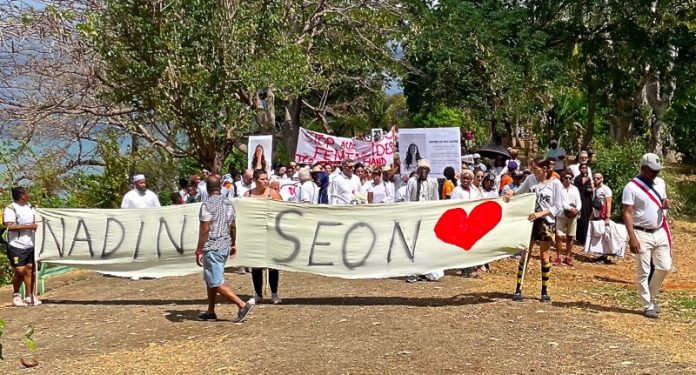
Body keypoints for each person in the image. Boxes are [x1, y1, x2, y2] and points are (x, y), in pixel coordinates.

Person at [195, 176, 253, 322]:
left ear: (206, 189)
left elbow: (205, 228)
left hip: (212, 246)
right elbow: (233, 225)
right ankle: (211, 311)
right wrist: (233, 243)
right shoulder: (228, 203)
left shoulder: (207, 204)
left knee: (215, 281)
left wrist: (199, 249)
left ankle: (241, 305)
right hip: (224, 245)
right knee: (211, 279)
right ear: (219, 187)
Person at [504, 156, 563, 303]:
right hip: (529, 220)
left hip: (545, 221)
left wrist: (540, 214)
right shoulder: (531, 179)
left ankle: (544, 290)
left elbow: (558, 206)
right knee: (526, 253)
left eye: (535, 168)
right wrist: (511, 193)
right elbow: (521, 192)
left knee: (544, 256)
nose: (533, 171)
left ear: (544, 169)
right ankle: (518, 287)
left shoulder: (556, 184)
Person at [622, 153, 672, 319]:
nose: (655, 173)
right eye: (652, 170)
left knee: (665, 266)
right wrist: (632, 237)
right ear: (643, 168)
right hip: (641, 232)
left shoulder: (660, 183)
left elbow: (661, 201)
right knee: (644, 270)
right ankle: (647, 304)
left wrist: (665, 204)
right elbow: (627, 213)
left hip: (659, 230)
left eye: (657, 170)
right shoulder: (632, 187)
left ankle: (651, 295)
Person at [245, 169, 283, 303]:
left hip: (271, 233)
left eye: (266, 178)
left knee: (272, 265)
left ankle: (274, 293)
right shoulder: (248, 195)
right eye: (262, 179)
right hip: (255, 233)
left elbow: (282, 211)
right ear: (255, 180)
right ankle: (258, 294)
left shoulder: (273, 194)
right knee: (256, 264)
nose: (265, 181)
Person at [404, 159, 442, 282]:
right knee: (413, 244)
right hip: (414, 217)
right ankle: (412, 272)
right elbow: (407, 199)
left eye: (426, 169)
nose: (423, 171)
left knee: (427, 245)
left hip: (427, 218)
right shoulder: (412, 181)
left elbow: (436, 200)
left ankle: (428, 271)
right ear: (418, 170)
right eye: (421, 169)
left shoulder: (432, 183)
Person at [3, 187, 40, 306]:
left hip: (30, 243)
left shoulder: (30, 208)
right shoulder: (11, 208)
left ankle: (30, 296)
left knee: (30, 269)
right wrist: (29, 226)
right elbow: (10, 226)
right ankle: (16, 294)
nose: (28, 195)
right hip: (16, 245)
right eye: (26, 193)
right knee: (20, 271)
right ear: (22, 195)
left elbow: (36, 221)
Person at [554, 170, 582, 266]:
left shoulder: (575, 189)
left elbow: (579, 201)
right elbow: (561, 201)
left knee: (571, 236)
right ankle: (558, 257)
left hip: (573, 216)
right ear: (562, 178)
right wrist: (570, 208)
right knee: (559, 236)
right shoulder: (559, 189)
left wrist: (577, 209)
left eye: (570, 178)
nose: (568, 180)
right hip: (561, 214)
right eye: (566, 178)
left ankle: (568, 256)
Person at [592, 173, 614, 264]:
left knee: (605, 236)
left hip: (603, 215)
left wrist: (608, 217)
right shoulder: (595, 189)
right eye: (594, 178)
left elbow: (608, 203)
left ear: (602, 179)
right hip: (596, 214)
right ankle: (602, 255)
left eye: (598, 178)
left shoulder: (606, 189)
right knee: (599, 235)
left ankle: (605, 256)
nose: (596, 180)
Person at [573, 163, 593, 245]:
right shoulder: (577, 178)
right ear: (580, 169)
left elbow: (590, 188)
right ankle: (580, 237)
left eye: (585, 168)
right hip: (580, 198)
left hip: (587, 200)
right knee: (580, 218)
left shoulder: (588, 178)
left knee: (587, 217)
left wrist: (590, 190)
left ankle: (586, 238)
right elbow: (576, 189)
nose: (584, 170)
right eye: (582, 168)